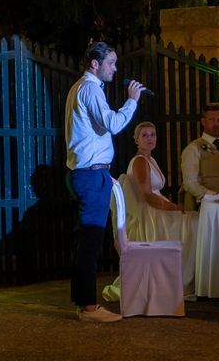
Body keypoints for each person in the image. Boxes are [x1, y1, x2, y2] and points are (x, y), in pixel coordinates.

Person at [65, 41, 146, 322]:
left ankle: (82, 301)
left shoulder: (82, 88)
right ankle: (88, 307)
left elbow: (91, 135)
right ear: (95, 64)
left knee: (86, 240)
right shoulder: (89, 88)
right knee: (90, 240)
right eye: (111, 62)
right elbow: (111, 124)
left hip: (93, 172)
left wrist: (102, 170)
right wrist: (132, 100)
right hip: (89, 175)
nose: (115, 67)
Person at [102, 121, 198, 300]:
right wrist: (174, 208)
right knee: (194, 224)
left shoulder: (150, 159)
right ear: (136, 140)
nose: (149, 138)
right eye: (144, 135)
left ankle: (184, 278)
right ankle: (181, 281)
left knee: (194, 220)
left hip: (156, 208)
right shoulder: (139, 161)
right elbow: (147, 195)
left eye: (152, 135)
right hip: (150, 214)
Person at [180, 103, 219, 210]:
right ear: (203, 121)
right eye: (212, 119)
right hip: (209, 207)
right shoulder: (193, 149)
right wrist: (214, 196)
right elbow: (190, 184)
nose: (216, 124)